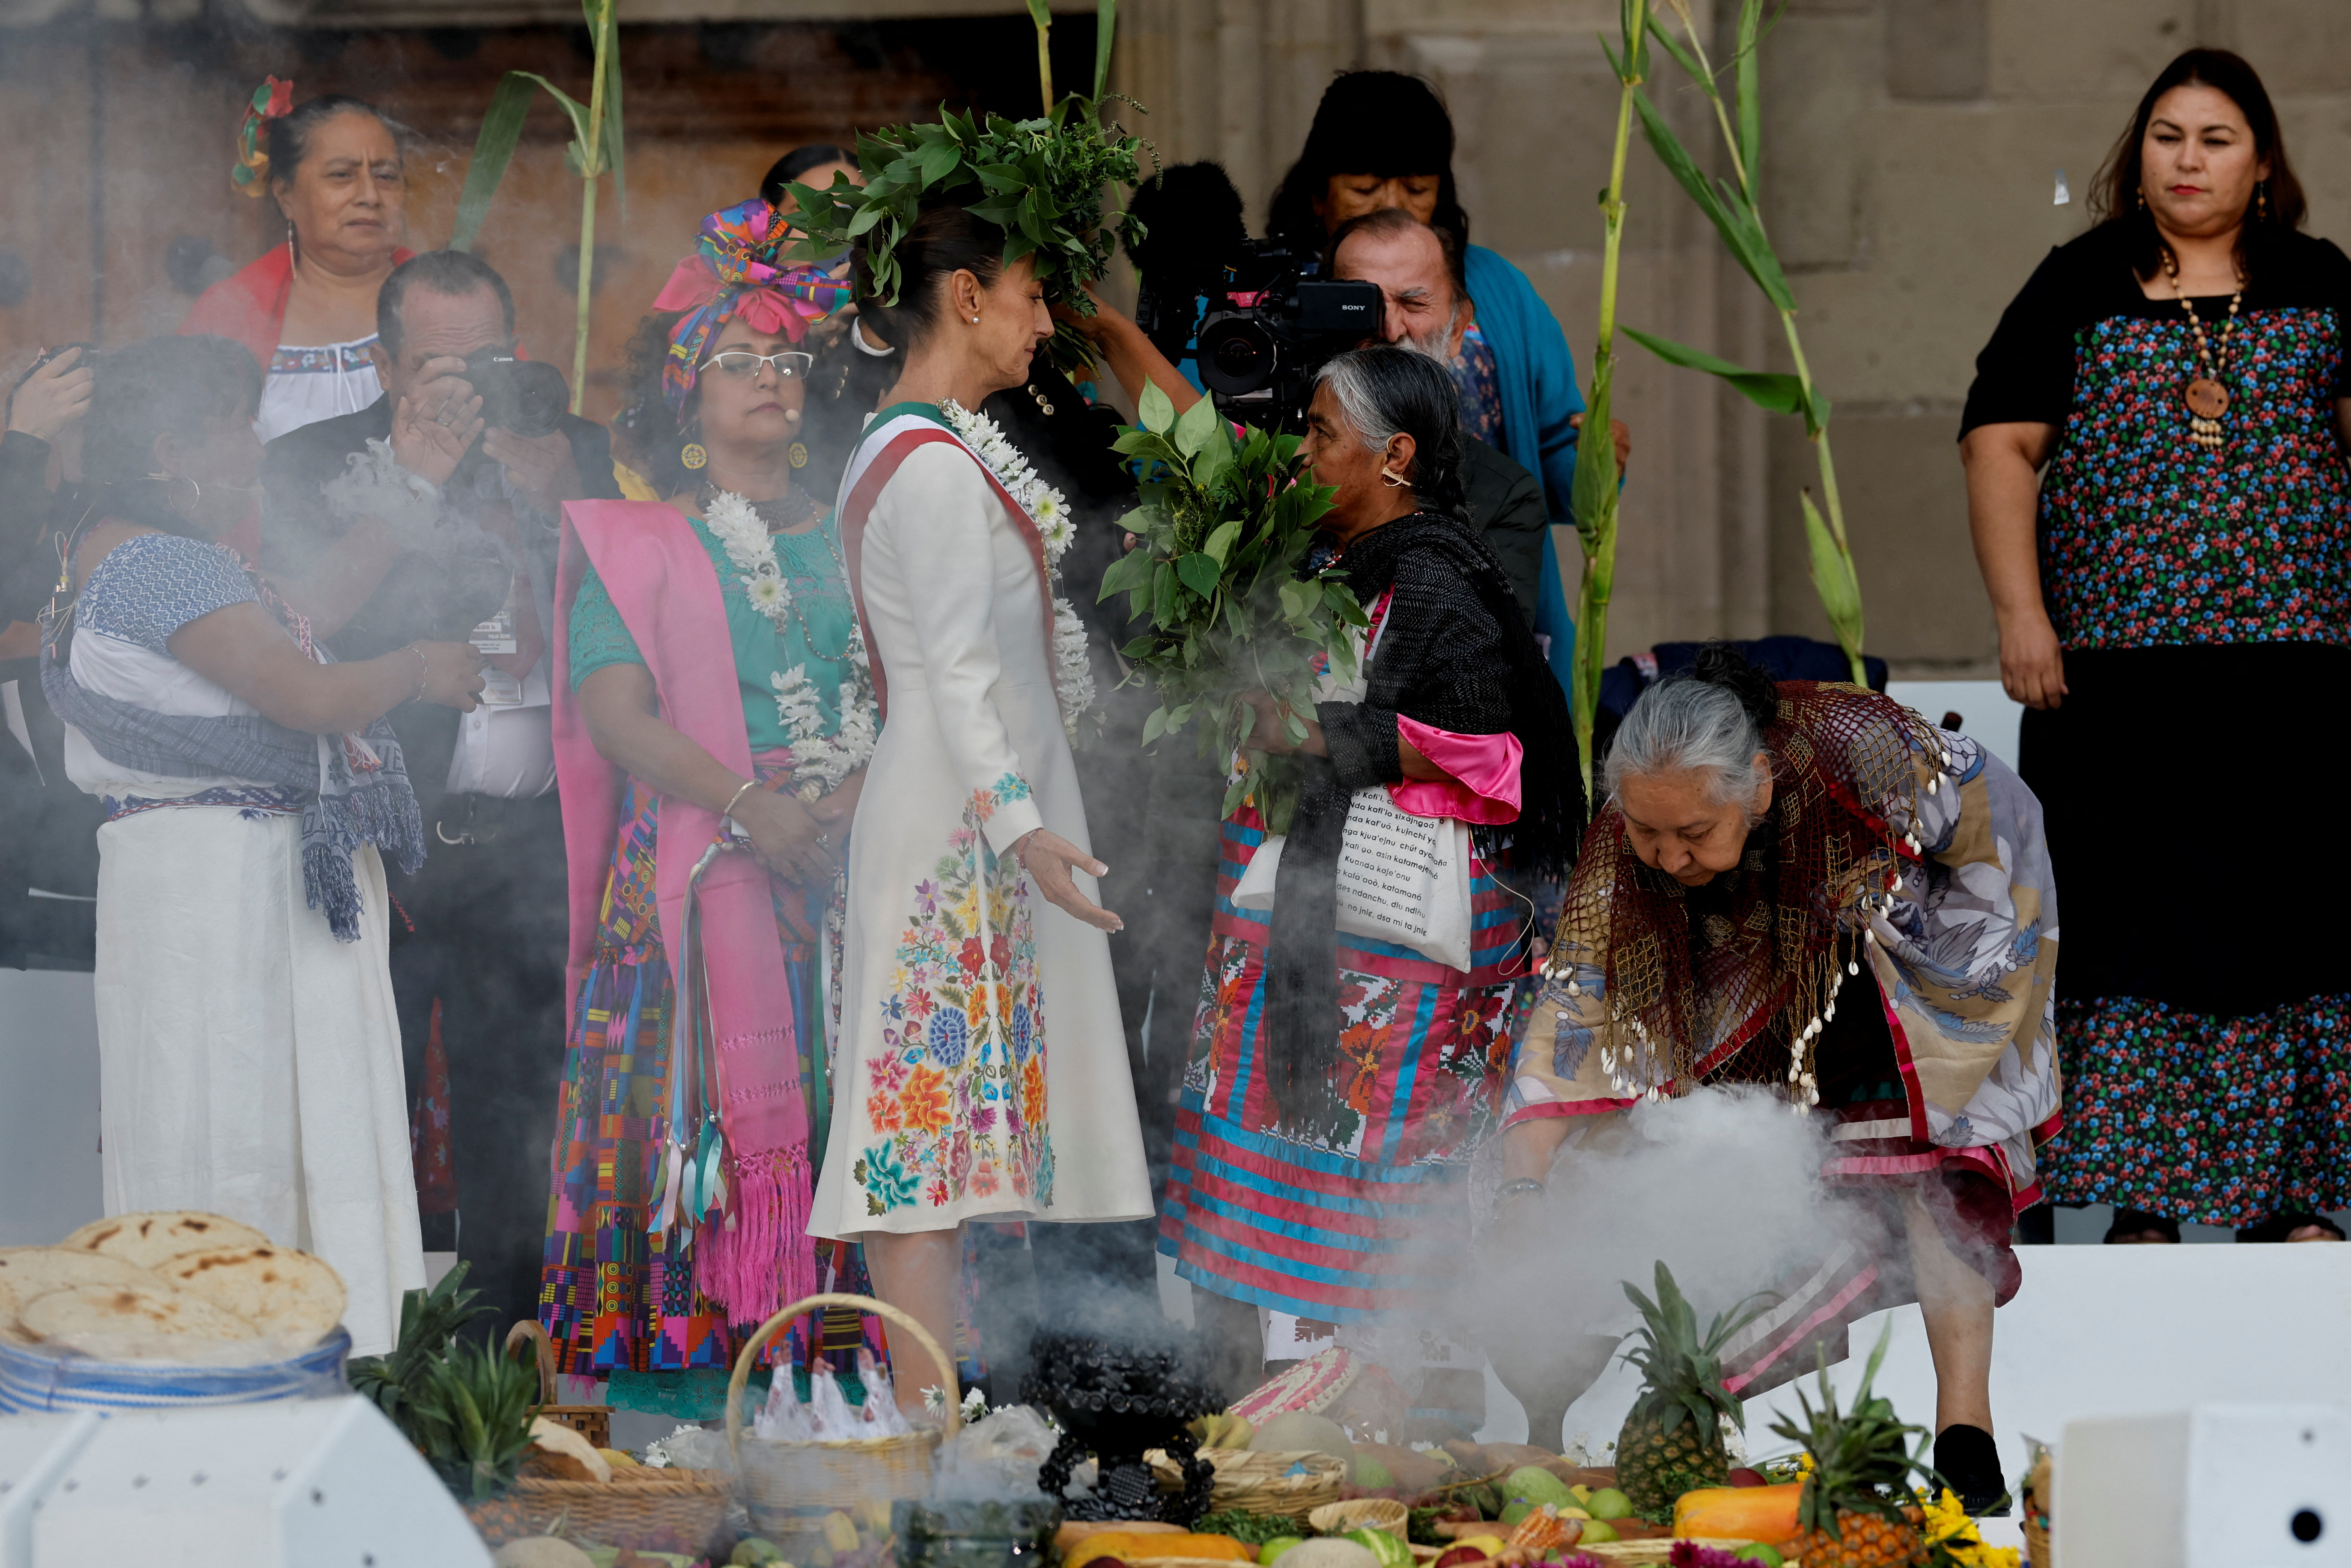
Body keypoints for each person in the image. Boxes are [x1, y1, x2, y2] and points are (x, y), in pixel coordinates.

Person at [1498, 645, 2059, 1511]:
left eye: (1693, 833)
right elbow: (1572, 1016)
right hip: (1744, 989)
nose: (1668, 853)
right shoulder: (1629, 850)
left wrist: (1971, 977)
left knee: (1934, 1167)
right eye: (1649, 832)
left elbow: (2006, 818)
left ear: (1757, 785)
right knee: (1719, 1164)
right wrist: (1522, 1193)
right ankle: (1663, 1381)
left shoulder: (1871, 755)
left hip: (1902, 965)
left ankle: (1966, 1431)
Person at [1960, 47, 2351, 1246]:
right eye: (2168, 136)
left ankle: (2291, 1197)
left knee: (2290, 921)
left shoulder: (2318, 283)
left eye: (2216, 137)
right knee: (2133, 929)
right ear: (2138, 157)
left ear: (2263, 162)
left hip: (2296, 678)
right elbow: (1998, 448)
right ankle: (2145, 1204)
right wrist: (2024, 615)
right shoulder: (2076, 283)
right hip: (2116, 683)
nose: (2188, 159)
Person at [37, 333, 488, 1356]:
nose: (252, 443)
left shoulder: (126, 551)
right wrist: (415, 665)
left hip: (209, 884)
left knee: (231, 1121)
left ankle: (258, 1360)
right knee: (244, 1126)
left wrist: (411, 480)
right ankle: (269, 1365)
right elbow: (309, 691)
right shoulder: (155, 562)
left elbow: (308, 614)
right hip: (226, 894)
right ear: (170, 446)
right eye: (234, 423)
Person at [1156, 347, 1580, 1416]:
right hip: (1318, 909)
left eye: (1320, 433)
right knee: (1294, 1143)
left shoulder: (1434, 572)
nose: (1302, 453)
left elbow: (1491, 746)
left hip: (1399, 933)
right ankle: (1287, 1412)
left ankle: (1378, 1415)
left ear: (1393, 456)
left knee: (1379, 1166)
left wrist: (1313, 731)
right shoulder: (1345, 560)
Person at [800, 170, 1156, 1404]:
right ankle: (921, 1415)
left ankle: (931, 1406)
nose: (1045, 323)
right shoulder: (934, 463)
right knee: (921, 1126)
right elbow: (953, 677)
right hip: (957, 823)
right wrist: (1025, 832)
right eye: (1028, 296)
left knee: (942, 1123)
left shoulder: (916, 446)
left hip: (966, 817)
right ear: (964, 294)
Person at [259, 247, 622, 1326]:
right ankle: (361, 1339)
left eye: (488, 358)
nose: (467, 384)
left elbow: (632, 603)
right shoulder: (318, 460)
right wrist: (416, 475)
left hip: (530, 836)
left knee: (521, 1099)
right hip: (384, 830)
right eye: (438, 364)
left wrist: (546, 480)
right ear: (383, 360)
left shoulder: (572, 448)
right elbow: (302, 632)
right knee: (356, 1083)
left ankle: (510, 1341)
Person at [541, 199, 866, 1400]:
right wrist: (751, 805)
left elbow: (914, 683)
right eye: (739, 360)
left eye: (786, 358)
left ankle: (851, 1383)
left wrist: (838, 806)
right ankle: (689, 1391)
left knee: (852, 1108)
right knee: (694, 1121)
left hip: (843, 858)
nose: (770, 379)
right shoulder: (636, 542)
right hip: (692, 866)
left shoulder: (856, 533)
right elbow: (618, 715)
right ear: (686, 393)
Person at [1266, 71, 1610, 648]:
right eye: (1364, 189)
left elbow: (1553, 461)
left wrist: (1596, 461)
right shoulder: (1259, 300)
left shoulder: (1500, 290)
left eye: (1416, 189)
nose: (1393, 207)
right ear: (1318, 194)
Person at [181, 81, 414, 444]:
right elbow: (189, 454)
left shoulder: (455, 297)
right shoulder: (227, 314)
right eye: (342, 175)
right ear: (285, 195)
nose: (370, 195)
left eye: (386, 176)